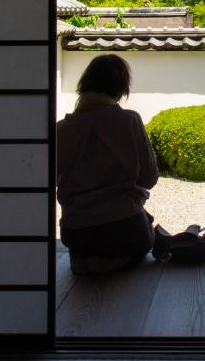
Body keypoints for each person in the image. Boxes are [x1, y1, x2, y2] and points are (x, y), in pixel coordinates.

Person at [56, 54, 170, 275]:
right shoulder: (129, 121)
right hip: (126, 228)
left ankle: (88, 260)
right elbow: (149, 178)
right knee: (144, 228)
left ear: (84, 85)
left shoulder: (62, 129)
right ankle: (118, 260)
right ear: (120, 88)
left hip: (77, 231)